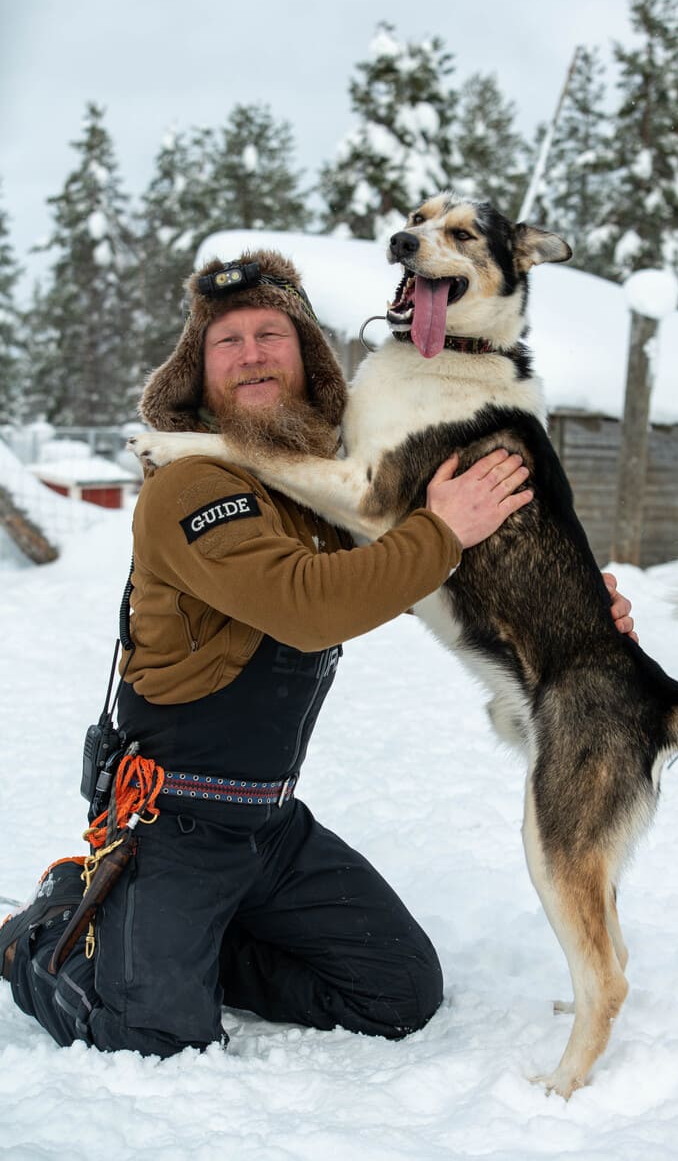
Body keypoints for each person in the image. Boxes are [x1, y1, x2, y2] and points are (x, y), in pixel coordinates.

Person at [0, 250, 635, 1056]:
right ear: (199, 372)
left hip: (269, 827)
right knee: (152, 1036)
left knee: (397, 992)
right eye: (226, 341)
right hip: (173, 824)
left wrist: (566, 619)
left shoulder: (319, 493)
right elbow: (311, 603)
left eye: (273, 333)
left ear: (308, 359)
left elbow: (404, 578)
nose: (253, 352)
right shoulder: (190, 484)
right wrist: (441, 529)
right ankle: (44, 931)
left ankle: (185, 947)